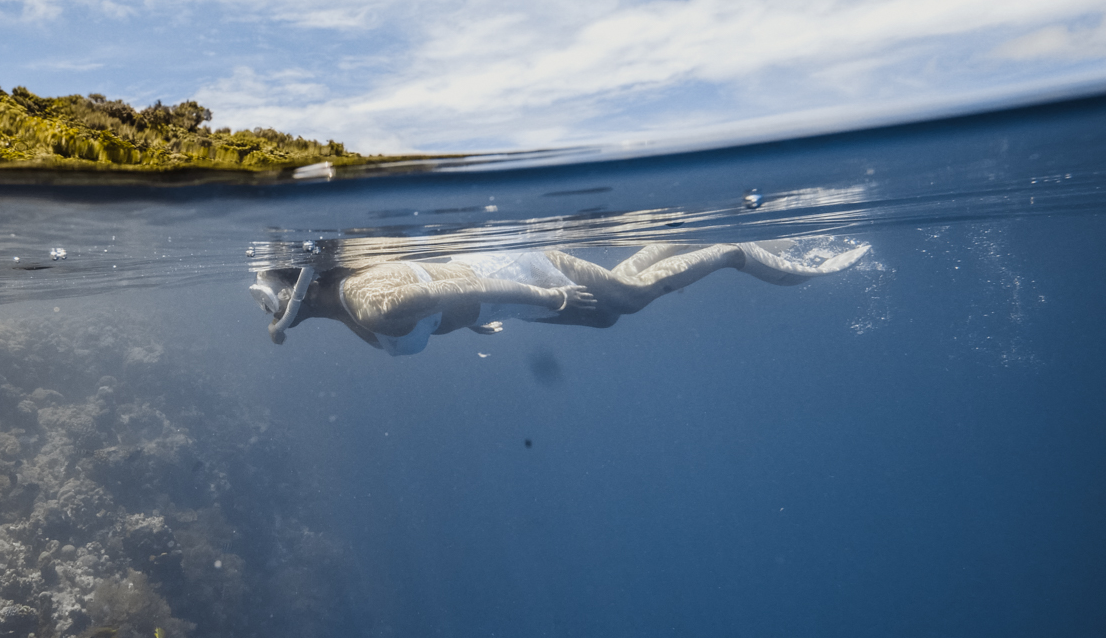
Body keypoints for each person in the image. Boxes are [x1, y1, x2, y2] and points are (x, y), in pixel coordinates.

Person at [249, 239, 870, 355]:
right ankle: (670, 242)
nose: (271, 311)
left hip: (516, 271)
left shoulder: (364, 301)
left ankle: (736, 253)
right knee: (607, 318)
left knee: (626, 299)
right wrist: (465, 322)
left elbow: (464, 284)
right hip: (505, 295)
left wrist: (546, 299)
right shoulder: (351, 300)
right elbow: (436, 292)